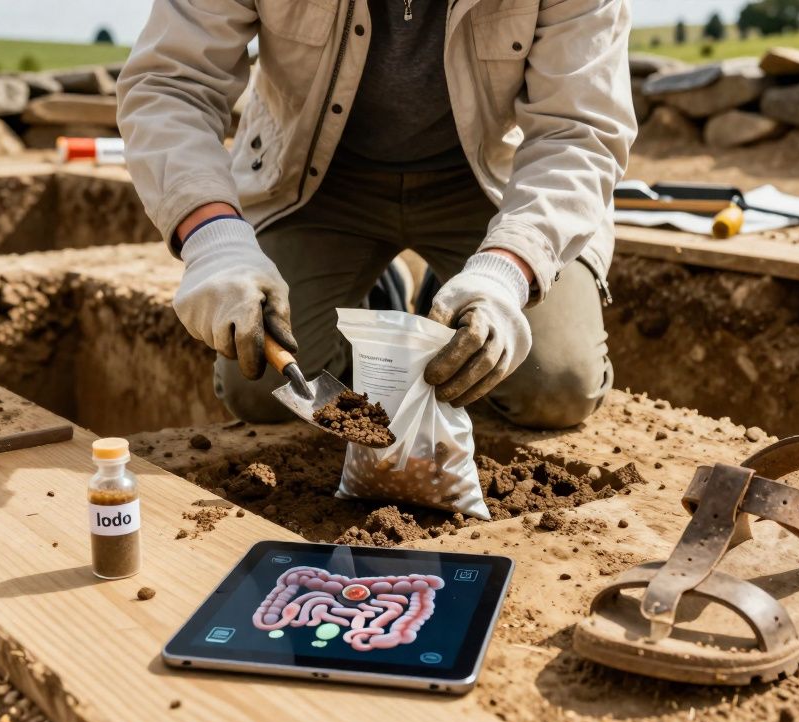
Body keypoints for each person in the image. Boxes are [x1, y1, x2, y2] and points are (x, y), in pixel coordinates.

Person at [117, 0, 635, 429]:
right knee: (264, 390)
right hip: (315, 183)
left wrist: (505, 272)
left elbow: (579, 131)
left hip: (492, 187)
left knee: (556, 384)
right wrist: (214, 240)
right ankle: (374, 289)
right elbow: (170, 84)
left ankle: (458, 281)